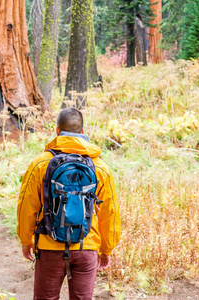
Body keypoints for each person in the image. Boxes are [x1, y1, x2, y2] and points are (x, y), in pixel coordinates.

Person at [16, 108, 121, 300]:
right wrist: (106, 249)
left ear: (57, 131)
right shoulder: (100, 168)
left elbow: (26, 206)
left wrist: (26, 240)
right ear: (83, 133)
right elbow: (109, 212)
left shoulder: (40, 164)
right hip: (85, 246)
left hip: (49, 246)